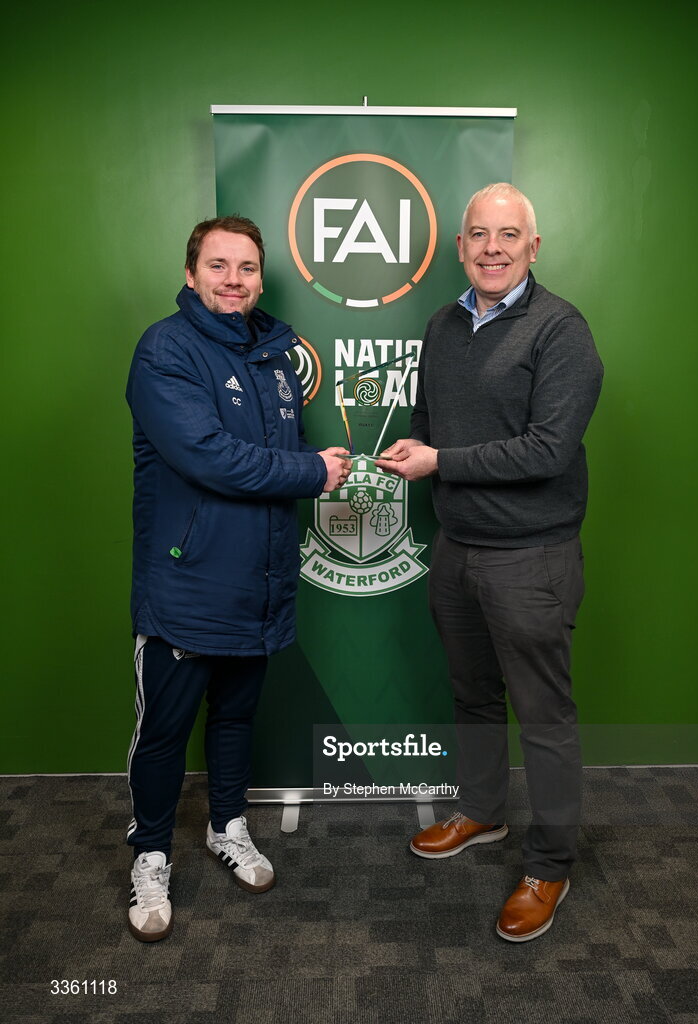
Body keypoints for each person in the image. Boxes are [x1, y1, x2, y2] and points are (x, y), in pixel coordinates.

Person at [376, 183, 603, 942]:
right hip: (456, 549)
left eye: (508, 235)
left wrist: (440, 459)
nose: (492, 247)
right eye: (478, 234)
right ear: (461, 246)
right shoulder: (443, 324)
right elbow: (428, 419)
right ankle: (480, 812)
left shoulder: (559, 330)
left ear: (532, 248)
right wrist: (418, 448)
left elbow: (547, 450)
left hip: (530, 557)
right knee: (472, 697)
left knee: (542, 716)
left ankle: (549, 863)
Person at [124, 215, 350, 942]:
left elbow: (278, 454)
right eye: (217, 266)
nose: (232, 280)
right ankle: (150, 854)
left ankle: (228, 827)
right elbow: (211, 457)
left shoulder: (276, 357)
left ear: (259, 278)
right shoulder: (165, 349)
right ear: (191, 274)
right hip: (185, 588)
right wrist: (313, 471)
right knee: (163, 733)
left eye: (246, 268)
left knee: (234, 720)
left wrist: (321, 460)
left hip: (258, 584)